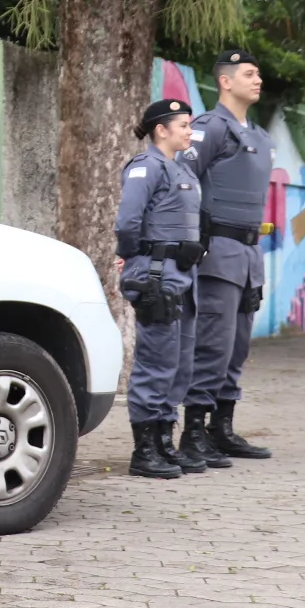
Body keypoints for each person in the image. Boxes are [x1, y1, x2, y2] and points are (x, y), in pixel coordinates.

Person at [181, 49, 275, 466]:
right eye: (249, 74)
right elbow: (179, 179)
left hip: (250, 254)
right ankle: (193, 432)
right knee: (213, 345)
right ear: (225, 81)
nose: (258, 80)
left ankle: (222, 428)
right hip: (217, 251)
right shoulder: (210, 128)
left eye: (258, 74)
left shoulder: (259, 136)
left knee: (237, 347)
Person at [114, 98, 205, 479]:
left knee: (179, 364)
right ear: (161, 130)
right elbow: (127, 222)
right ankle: (144, 449)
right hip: (158, 276)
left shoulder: (181, 168)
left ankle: (165, 441)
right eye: (183, 125)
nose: (189, 131)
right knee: (156, 363)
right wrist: (133, 258)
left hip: (182, 277)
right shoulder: (146, 167)